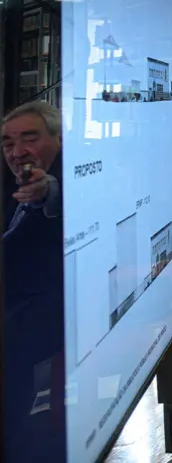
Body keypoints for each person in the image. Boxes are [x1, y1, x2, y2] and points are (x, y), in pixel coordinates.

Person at [3, 102, 65, 462]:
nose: (18, 151)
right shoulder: (9, 173)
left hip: (45, 307)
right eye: (8, 143)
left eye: (30, 138)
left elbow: (51, 191)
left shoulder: (67, 178)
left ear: (58, 139)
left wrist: (45, 191)